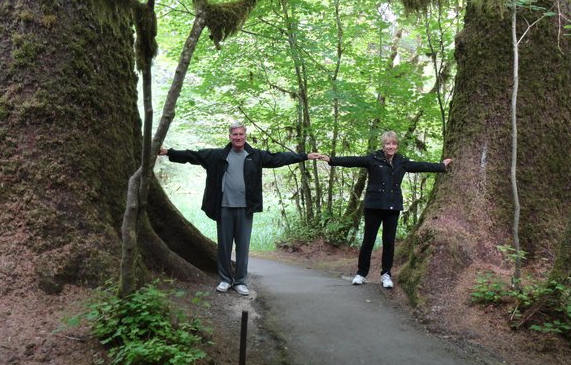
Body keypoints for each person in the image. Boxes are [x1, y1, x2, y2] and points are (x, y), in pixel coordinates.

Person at [159, 122, 322, 296]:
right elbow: (193, 156)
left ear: (245, 136)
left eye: (241, 134)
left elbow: (278, 158)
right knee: (224, 246)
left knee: (243, 246)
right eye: (235, 134)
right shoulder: (217, 155)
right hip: (223, 207)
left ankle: (240, 281)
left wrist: (304, 156)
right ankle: (225, 279)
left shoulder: (255, 155)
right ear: (230, 136)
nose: (238, 137)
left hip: (246, 209)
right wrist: (169, 152)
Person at [320, 131, 452, 289]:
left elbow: (420, 165)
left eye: (393, 143)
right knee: (368, 240)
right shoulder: (373, 159)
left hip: (392, 206)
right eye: (388, 143)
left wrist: (441, 166)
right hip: (373, 205)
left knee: (389, 242)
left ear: (397, 145)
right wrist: (331, 160)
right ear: (383, 145)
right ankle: (361, 273)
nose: (391, 146)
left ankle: (386, 274)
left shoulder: (402, 161)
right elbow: (353, 160)